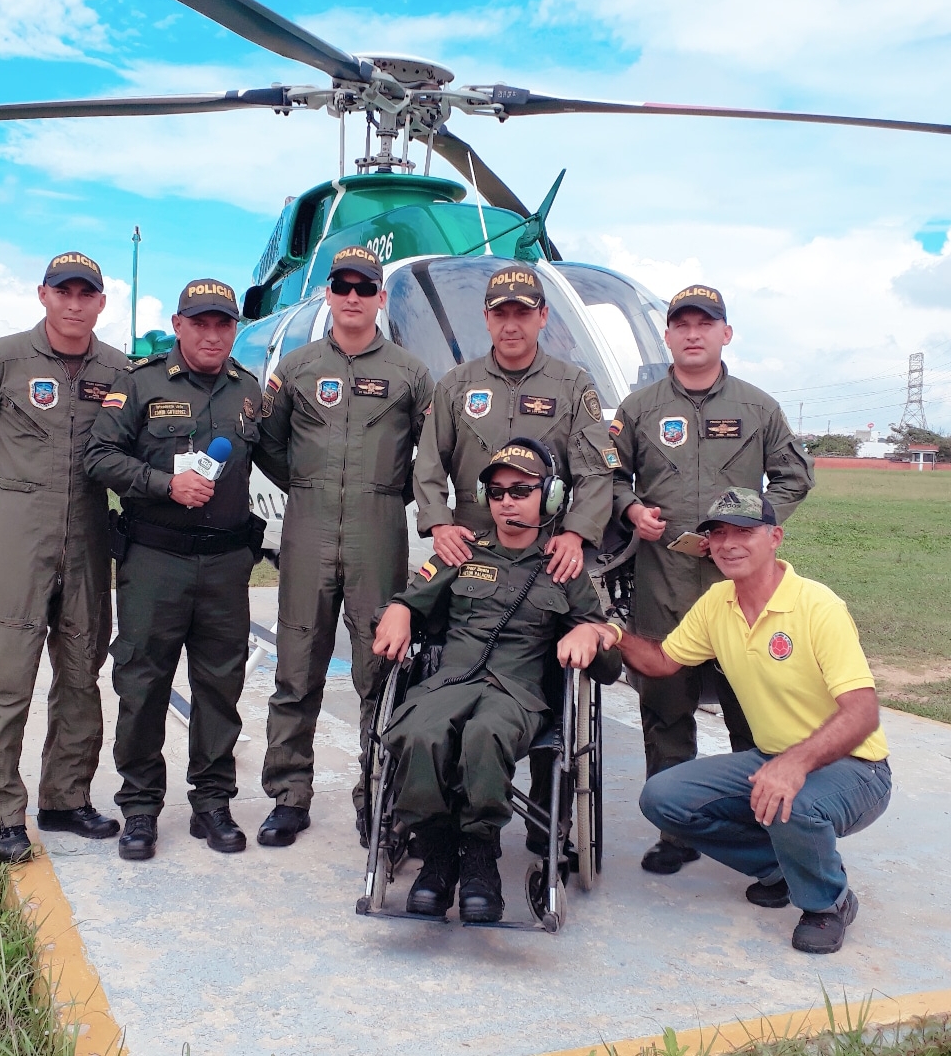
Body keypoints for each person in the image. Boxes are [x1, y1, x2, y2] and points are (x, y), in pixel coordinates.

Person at [589, 487, 891, 954]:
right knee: (665, 797)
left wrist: (794, 765)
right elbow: (664, 661)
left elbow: (863, 712)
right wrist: (611, 632)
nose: (729, 544)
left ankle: (828, 903)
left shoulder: (817, 605)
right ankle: (780, 868)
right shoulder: (717, 602)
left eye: (745, 532)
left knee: (791, 798)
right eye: (718, 533)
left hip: (856, 769)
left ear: (775, 538)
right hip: (772, 755)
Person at [412, 261, 620, 853]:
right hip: (471, 554)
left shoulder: (573, 386)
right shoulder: (455, 384)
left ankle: (543, 817)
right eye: (500, 313)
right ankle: (445, 811)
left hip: (548, 554)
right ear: (486, 319)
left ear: (541, 317)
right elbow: (429, 464)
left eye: (522, 313)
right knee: (465, 662)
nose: (511, 324)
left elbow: (594, 471)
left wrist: (577, 534)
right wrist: (438, 523)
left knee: (542, 676)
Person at [610, 283, 814, 874]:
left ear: (726, 334)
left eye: (706, 323)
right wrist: (631, 510)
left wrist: (753, 532)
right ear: (668, 335)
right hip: (665, 577)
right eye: (682, 324)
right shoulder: (639, 409)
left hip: (742, 587)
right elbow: (609, 476)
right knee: (665, 707)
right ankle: (677, 831)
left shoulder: (758, 408)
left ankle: (768, 837)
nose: (693, 333)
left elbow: (793, 479)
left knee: (753, 712)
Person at [373, 440, 621, 922]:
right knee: (416, 733)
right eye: (498, 491)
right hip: (449, 685)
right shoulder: (461, 552)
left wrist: (595, 632)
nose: (508, 501)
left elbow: (607, 666)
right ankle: (438, 856)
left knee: (485, 736)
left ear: (548, 498)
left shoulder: (564, 568)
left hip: (517, 695)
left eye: (522, 491)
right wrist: (400, 609)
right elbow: (410, 597)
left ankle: (481, 857)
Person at [0, 251, 129, 863]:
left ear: (101, 302)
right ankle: (0, 811)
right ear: (42, 295)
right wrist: (10, 497)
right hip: (19, 538)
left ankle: (65, 798)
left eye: (86, 294)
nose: (74, 303)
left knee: (80, 672)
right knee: (4, 679)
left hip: (90, 537)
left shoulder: (119, 370)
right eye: (63, 291)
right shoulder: (0, 360)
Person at [253, 245, 434, 848]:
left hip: (378, 529)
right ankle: (287, 795)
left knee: (378, 667)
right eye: (342, 286)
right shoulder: (298, 368)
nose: (353, 297)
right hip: (307, 528)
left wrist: (382, 493)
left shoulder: (411, 373)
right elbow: (269, 445)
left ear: (381, 298)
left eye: (364, 287)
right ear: (328, 295)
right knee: (296, 666)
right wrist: (311, 488)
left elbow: (429, 455)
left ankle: (376, 792)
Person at [84, 278, 264, 861]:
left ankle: (212, 802)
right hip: (155, 559)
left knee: (220, 684)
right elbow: (99, 456)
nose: (213, 334)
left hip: (226, 564)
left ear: (234, 329)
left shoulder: (250, 392)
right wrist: (164, 484)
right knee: (142, 682)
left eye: (224, 324)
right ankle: (139, 807)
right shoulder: (139, 384)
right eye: (201, 323)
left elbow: (283, 456)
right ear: (180, 325)